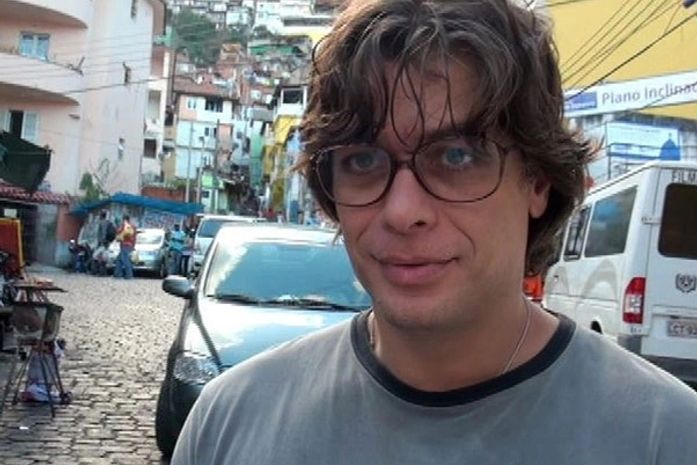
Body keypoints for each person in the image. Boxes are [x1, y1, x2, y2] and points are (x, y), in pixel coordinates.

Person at [172, 2, 697, 464]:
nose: (402, 211)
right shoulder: (228, 425)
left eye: (457, 156)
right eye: (362, 160)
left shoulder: (667, 438)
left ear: (537, 180)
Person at [113, 215, 135, 279]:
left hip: (125, 245)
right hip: (128, 245)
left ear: (124, 220)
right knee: (119, 259)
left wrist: (118, 232)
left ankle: (129, 275)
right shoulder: (132, 226)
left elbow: (121, 234)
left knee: (125, 260)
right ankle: (117, 274)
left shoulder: (126, 226)